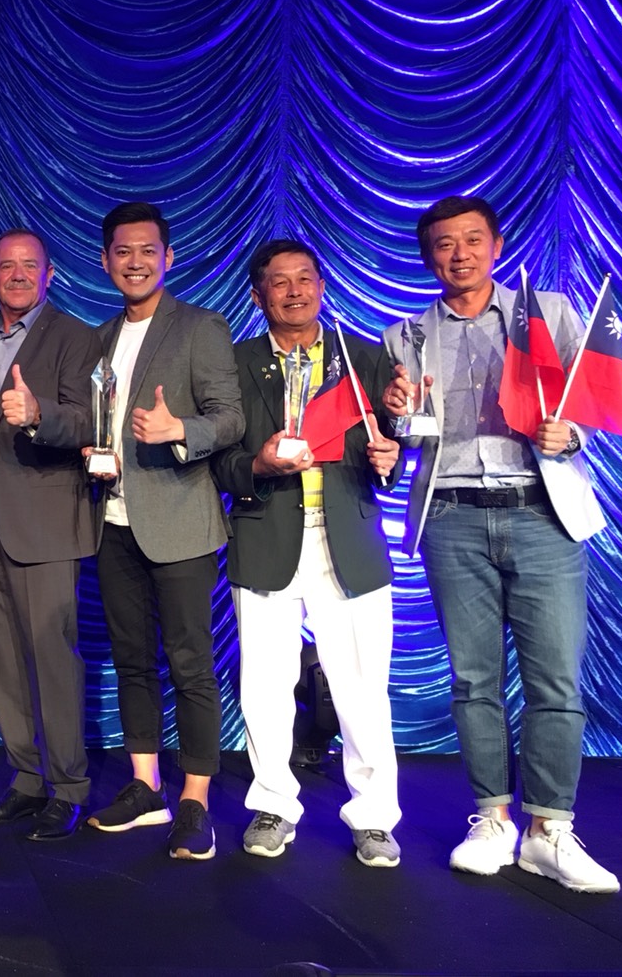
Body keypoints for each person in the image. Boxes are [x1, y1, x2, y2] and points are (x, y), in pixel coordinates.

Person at [382, 194, 618, 893]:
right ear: (429, 256)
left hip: (541, 513)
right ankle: (492, 819)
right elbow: (407, 436)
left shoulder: (547, 314)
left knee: (556, 681)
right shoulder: (405, 336)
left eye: (472, 240)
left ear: (496, 245)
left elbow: (588, 401)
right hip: (452, 517)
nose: (459, 254)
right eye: (444, 244)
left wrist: (571, 434)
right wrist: (396, 419)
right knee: (473, 680)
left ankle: (550, 830)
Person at [212, 238, 403, 867]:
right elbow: (220, 459)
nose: (294, 291)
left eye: (305, 278)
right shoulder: (234, 364)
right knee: (265, 685)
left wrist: (392, 455)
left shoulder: (363, 358)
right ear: (258, 294)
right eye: (279, 281)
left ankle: (373, 817)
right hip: (265, 536)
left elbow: (392, 447)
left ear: (321, 285)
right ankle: (273, 805)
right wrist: (258, 466)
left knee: (362, 688)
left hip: (348, 540)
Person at [83, 202, 244, 859]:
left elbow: (230, 418)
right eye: (123, 252)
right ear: (105, 261)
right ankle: (146, 787)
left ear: (168, 257)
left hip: (179, 522)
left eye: (148, 250)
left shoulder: (200, 326)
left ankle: (195, 800)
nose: (136, 262)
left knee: (190, 663)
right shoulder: (97, 337)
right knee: (131, 660)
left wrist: (180, 430)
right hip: (112, 522)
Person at [0, 229, 100, 842]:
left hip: (45, 521)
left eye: (29, 265)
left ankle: (68, 787)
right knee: (3, 658)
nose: (17, 274)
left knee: (51, 657)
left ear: (49, 274)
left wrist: (40, 414)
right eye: (5, 266)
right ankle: (26, 780)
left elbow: (90, 419)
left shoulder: (74, 336)